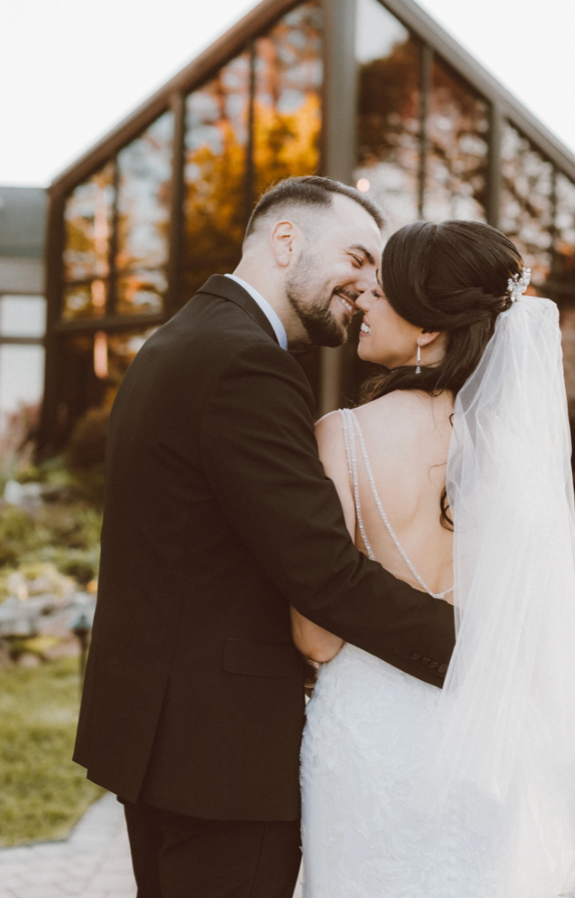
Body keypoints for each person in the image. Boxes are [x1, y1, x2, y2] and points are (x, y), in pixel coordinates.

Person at [73, 177, 456, 898]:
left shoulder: (180, 339)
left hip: (159, 736)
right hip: (222, 758)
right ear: (285, 241)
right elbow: (324, 574)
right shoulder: (246, 363)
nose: (365, 287)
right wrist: (479, 652)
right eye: (356, 257)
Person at [294, 219, 575, 898]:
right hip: (492, 742)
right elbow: (543, 635)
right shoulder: (517, 452)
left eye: (381, 291)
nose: (362, 299)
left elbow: (316, 638)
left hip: (366, 737)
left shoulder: (341, 437)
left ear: (428, 327)